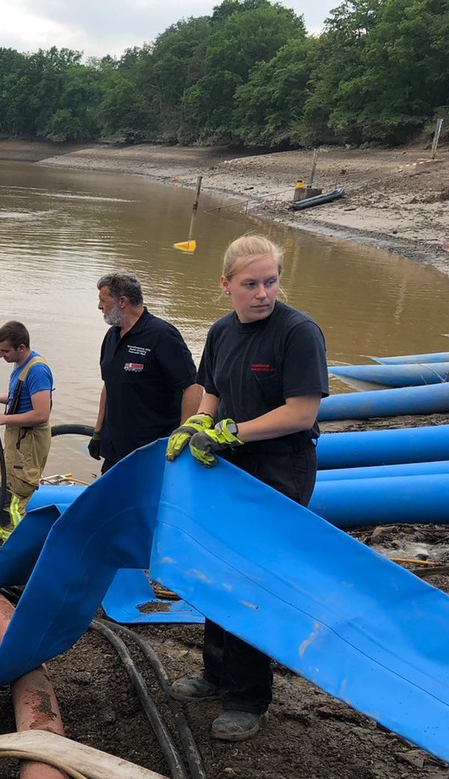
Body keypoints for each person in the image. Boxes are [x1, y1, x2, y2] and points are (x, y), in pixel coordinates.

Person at [164, 234, 329, 742]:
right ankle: (216, 674)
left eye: (271, 281)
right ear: (225, 285)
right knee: (216, 569)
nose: (263, 293)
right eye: (250, 284)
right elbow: (211, 391)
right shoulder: (220, 332)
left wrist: (234, 432)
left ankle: (247, 698)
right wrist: (197, 424)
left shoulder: (298, 333)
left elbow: (302, 411)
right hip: (227, 462)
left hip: (280, 466)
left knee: (254, 581)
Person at [90, 271, 202, 472]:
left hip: (151, 451)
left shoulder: (162, 335)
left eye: (103, 300)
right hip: (115, 449)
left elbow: (192, 388)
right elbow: (110, 384)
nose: (99, 306)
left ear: (122, 301)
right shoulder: (112, 336)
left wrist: (183, 435)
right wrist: (98, 432)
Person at [0, 321, 53, 541]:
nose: (1, 355)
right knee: (1, 493)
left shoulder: (37, 371)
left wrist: (3, 418)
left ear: (21, 346)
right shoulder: (21, 367)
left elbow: (41, 413)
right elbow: (20, 398)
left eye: (5, 350)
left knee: (12, 500)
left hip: (28, 445)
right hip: (16, 443)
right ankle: (2, 543)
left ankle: (17, 549)